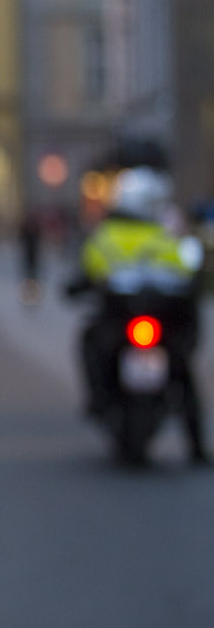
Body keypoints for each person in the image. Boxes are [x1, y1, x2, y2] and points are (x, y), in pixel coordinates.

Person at [72, 166, 206, 462]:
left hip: (143, 323)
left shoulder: (108, 234)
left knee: (180, 367)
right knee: (183, 372)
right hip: (140, 323)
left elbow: (85, 271)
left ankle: (98, 400)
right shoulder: (166, 234)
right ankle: (196, 445)